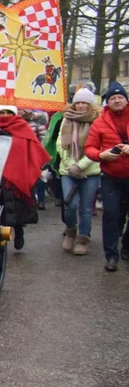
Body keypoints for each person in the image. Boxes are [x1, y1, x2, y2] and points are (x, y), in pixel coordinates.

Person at [0, 105, 47, 250]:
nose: (5, 115)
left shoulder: (23, 127)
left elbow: (32, 149)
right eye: (2, 112)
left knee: (18, 206)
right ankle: (1, 236)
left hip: (19, 173)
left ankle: (19, 230)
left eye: (9, 112)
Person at [84, 81, 129, 272]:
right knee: (110, 214)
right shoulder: (100, 122)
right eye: (113, 98)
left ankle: (126, 245)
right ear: (107, 102)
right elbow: (89, 148)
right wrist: (100, 155)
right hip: (111, 176)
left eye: (120, 97)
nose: (117, 100)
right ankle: (111, 256)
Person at [56, 88, 102, 255]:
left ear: (90, 105)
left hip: (90, 171)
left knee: (86, 208)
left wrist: (80, 166)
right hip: (68, 170)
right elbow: (60, 144)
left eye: (85, 102)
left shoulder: (98, 121)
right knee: (70, 204)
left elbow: (99, 147)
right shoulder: (66, 119)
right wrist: (71, 166)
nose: (81, 105)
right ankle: (70, 231)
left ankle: (83, 238)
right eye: (79, 102)